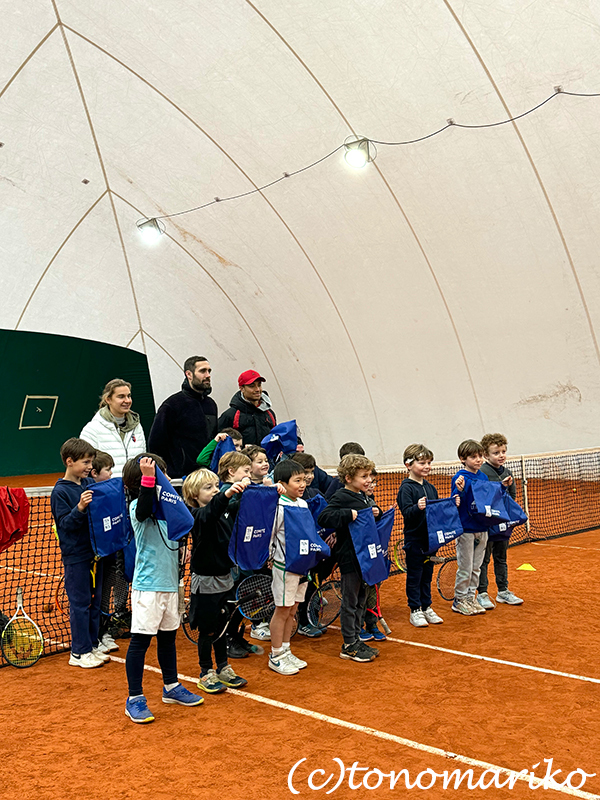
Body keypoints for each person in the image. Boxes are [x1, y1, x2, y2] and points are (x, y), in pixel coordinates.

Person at [121, 454, 203, 724]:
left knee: (168, 638)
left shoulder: (168, 509)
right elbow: (145, 507)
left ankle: (171, 687)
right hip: (148, 587)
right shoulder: (137, 507)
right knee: (140, 642)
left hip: (171, 585)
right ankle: (134, 699)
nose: (167, 479)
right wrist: (149, 477)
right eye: (162, 474)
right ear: (143, 479)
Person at [182, 469, 249, 693]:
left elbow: (236, 505)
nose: (214, 491)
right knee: (208, 630)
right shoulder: (196, 516)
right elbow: (213, 510)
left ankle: (223, 668)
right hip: (206, 583)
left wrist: (266, 487)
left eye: (216, 486)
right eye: (207, 488)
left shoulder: (223, 511)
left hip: (226, 579)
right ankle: (205, 672)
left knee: (223, 627)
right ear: (193, 495)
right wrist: (227, 493)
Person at [50, 438, 110, 669]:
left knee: (94, 603)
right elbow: (64, 525)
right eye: (85, 462)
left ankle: (92, 645)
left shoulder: (87, 484)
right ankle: (79, 652)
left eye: (91, 462)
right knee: (80, 604)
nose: (89, 467)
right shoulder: (60, 492)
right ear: (69, 461)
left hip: (95, 552)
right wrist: (81, 508)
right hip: (76, 556)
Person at [318, 454, 382, 662]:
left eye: (369, 476)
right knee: (350, 601)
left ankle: (356, 637)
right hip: (349, 558)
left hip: (364, 557)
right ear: (348, 478)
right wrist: (347, 515)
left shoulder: (363, 496)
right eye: (363, 476)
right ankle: (348, 644)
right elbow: (324, 517)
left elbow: (370, 516)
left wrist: (377, 512)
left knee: (361, 599)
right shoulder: (342, 496)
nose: (368, 480)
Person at [268, 459, 311, 675]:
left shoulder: (302, 504)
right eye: (297, 480)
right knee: (282, 610)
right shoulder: (278, 507)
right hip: (284, 566)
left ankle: (286, 650)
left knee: (293, 609)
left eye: (304, 480)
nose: (303, 484)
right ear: (282, 484)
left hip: (302, 566)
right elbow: (271, 536)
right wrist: (269, 557)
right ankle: (275, 655)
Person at [397, 445, 446, 628]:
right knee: (415, 576)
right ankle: (415, 610)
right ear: (408, 465)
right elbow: (406, 512)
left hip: (430, 540)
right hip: (414, 539)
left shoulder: (431, 488)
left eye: (429, 463)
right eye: (422, 462)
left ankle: (427, 607)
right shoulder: (406, 489)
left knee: (427, 576)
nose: (426, 466)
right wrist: (417, 507)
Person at [148, 356, 218, 478]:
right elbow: (155, 444)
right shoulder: (172, 405)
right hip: (181, 478)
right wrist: (168, 472)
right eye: (202, 371)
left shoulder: (211, 405)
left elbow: (213, 439)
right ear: (189, 374)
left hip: (208, 475)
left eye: (209, 371)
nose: (208, 375)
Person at [477, 433, 524, 609]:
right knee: (484, 559)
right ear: (486, 455)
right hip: (487, 524)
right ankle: (482, 593)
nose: (501, 455)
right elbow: (483, 499)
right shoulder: (482, 473)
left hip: (503, 524)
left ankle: (503, 591)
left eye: (503, 451)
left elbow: (511, 497)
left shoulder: (508, 472)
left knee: (501, 557)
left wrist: (508, 518)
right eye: (496, 452)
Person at [451, 439, 490, 617]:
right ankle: (459, 600)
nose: (479, 460)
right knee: (465, 566)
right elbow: (455, 503)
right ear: (462, 458)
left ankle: (470, 597)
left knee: (477, 566)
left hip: (483, 527)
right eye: (473, 457)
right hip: (466, 529)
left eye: (480, 456)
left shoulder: (483, 476)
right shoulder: (459, 478)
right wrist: (459, 490)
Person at [80, 379, 146, 477]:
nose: (127, 401)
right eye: (121, 397)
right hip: (107, 489)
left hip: (135, 488)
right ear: (108, 399)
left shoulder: (137, 427)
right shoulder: (91, 429)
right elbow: (86, 465)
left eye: (129, 396)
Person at [90, 451, 121, 653]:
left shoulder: (111, 491)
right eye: (107, 469)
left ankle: (104, 631)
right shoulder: (89, 494)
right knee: (97, 595)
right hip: (95, 556)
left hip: (111, 553)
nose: (111, 473)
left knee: (107, 593)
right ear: (94, 473)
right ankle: (96, 636)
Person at [217, 370, 277, 445]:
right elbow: (218, 442)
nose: (257, 389)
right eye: (252, 386)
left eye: (259, 385)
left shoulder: (269, 413)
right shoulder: (231, 415)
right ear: (242, 388)